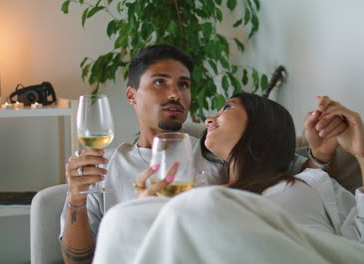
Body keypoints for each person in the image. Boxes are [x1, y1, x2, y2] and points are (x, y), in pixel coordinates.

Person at [60, 45, 346, 264]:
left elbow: (285, 170)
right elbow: (77, 260)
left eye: (183, 84)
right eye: (160, 82)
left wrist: (320, 156)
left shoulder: (220, 149)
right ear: (132, 95)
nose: (175, 94)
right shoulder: (106, 166)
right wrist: (76, 199)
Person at [93, 93, 364, 264]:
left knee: (199, 204)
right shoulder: (211, 193)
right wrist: (152, 209)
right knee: (123, 218)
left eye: (227, 107)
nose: (211, 118)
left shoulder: (311, 180)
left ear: (261, 125)